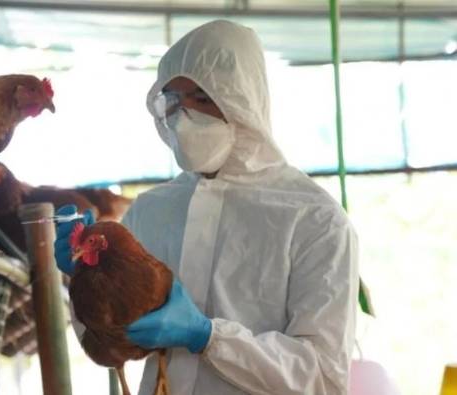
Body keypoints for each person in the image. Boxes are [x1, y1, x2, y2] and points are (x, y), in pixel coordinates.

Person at [54, 19, 358, 395]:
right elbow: (108, 349)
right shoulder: (150, 212)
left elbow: (324, 378)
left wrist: (210, 337)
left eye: (202, 98)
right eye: (174, 103)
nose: (184, 119)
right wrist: (84, 283)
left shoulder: (314, 219)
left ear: (243, 99)